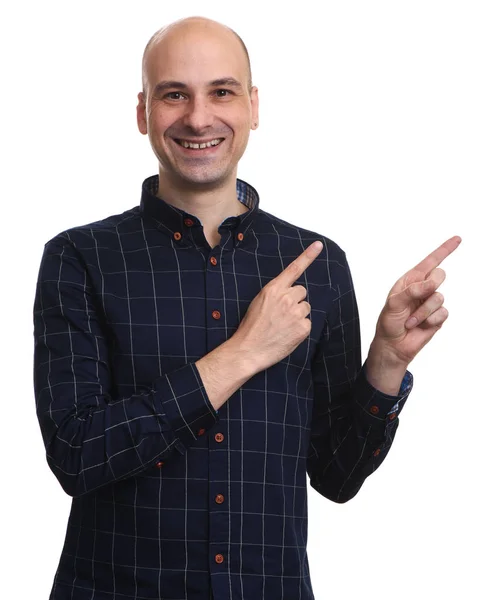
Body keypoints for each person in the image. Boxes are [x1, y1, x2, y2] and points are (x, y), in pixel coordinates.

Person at [32, 16, 460, 600]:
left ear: (253, 106)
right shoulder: (80, 258)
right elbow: (76, 455)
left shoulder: (318, 264)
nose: (199, 117)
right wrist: (240, 354)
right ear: (142, 112)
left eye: (222, 92)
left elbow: (336, 477)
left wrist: (385, 362)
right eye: (174, 94)